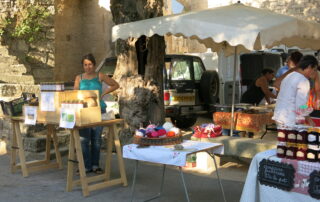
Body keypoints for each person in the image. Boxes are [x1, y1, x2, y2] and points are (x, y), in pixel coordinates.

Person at [74, 53, 119, 174]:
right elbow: (75, 93)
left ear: (94, 65)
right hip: (83, 111)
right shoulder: (79, 78)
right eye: (85, 65)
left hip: (99, 110)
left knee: (96, 139)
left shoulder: (100, 76)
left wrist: (104, 93)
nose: (88, 67)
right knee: (84, 139)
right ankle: (86, 166)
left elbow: (115, 84)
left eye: (90, 64)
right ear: (83, 66)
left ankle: (95, 165)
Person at [272, 55, 319, 127]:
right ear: (309, 67)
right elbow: (301, 106)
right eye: (314, 70)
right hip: (289, 119)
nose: (315, 73)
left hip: (279, 116)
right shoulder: (303, 81)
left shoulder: (289, 75)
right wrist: (309, 116)